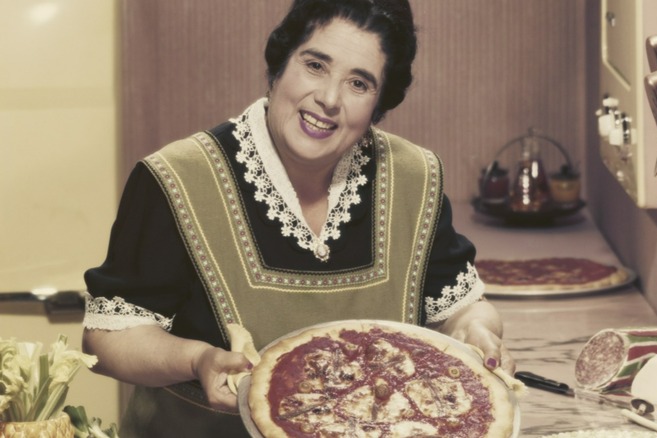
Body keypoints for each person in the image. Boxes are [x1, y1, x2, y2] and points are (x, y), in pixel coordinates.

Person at [82, 0, 515, 436]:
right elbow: (108, 338)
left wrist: (476, 332)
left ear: (380, 103)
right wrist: (195, 360)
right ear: (278, 66)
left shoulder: (415, 178)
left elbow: (458, 310)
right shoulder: (175, 178)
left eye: (359, 83)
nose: (328, 98)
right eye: (315, 65)